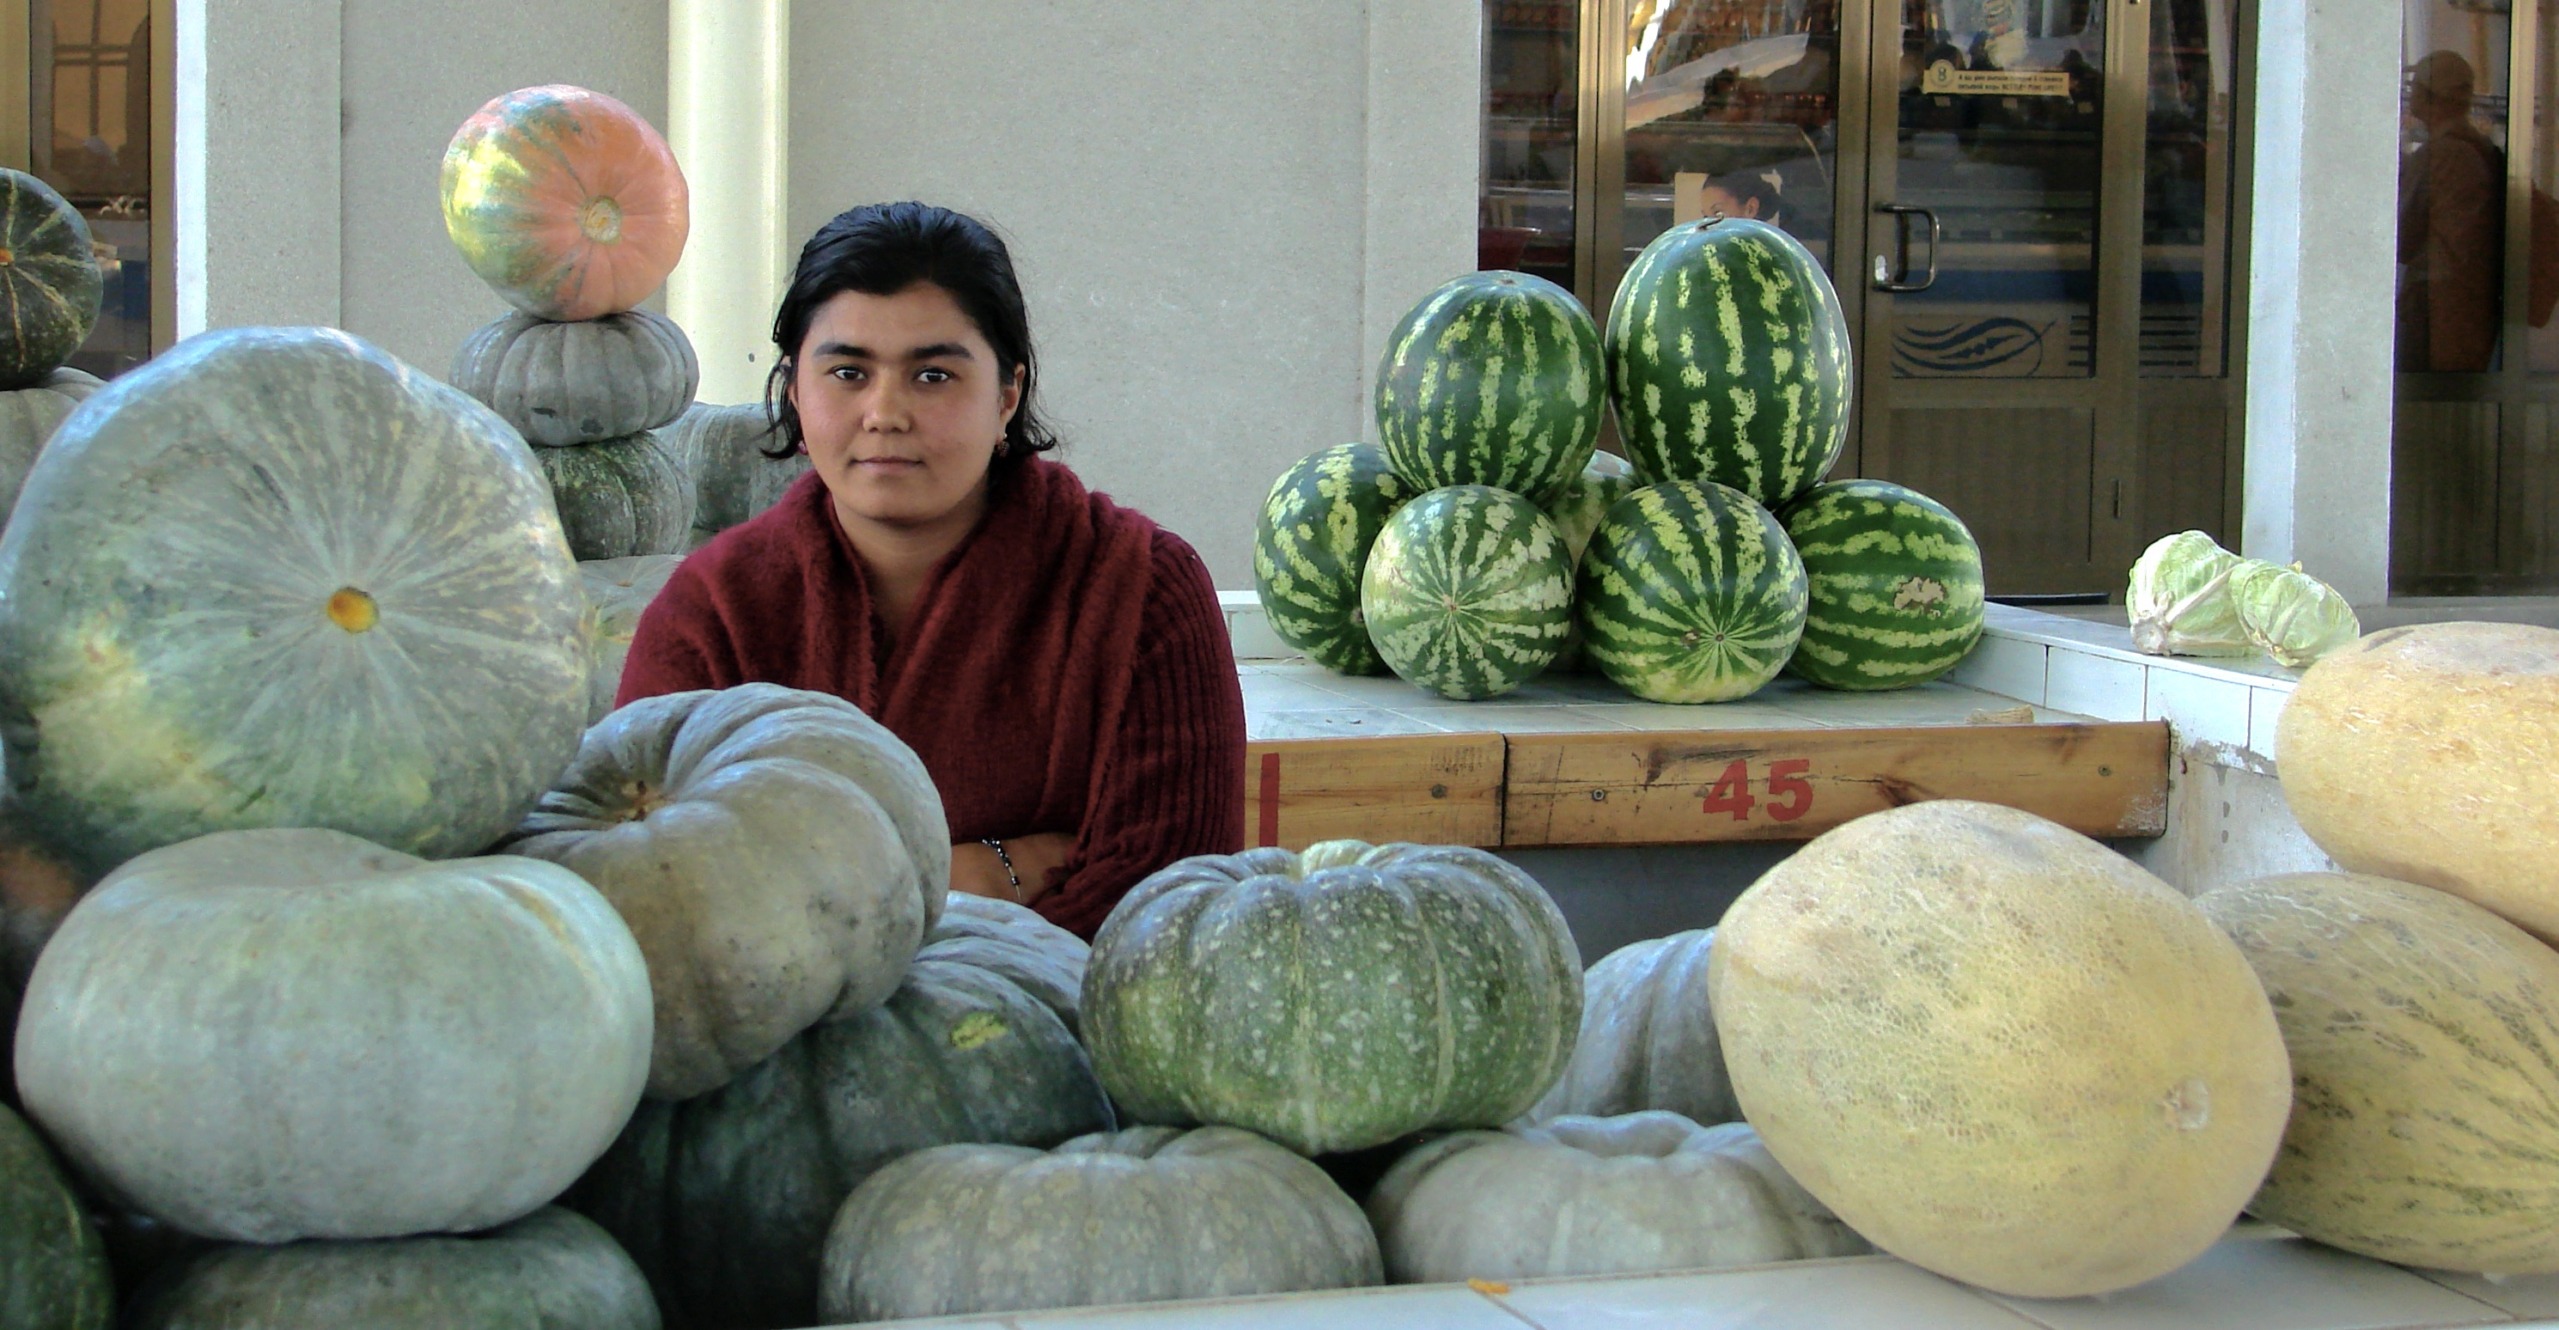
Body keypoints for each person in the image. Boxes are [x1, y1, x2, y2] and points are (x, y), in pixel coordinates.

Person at [617, 201, 1248, 937]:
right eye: (848, 371)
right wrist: (979, 874)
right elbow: (655, 896)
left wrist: (813, 896)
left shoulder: (1141, 590)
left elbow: (1170, 901)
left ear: (1007, 394)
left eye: (933, 376)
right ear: (794, 389)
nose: (885, 413)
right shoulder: (711, 614)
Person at [2397, 50, 2505, 373]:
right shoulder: (2480, 151)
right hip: (2470, 310)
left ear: (2431, 95)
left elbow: (2401, 238)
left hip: (2433, 310)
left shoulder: (2439, 155)